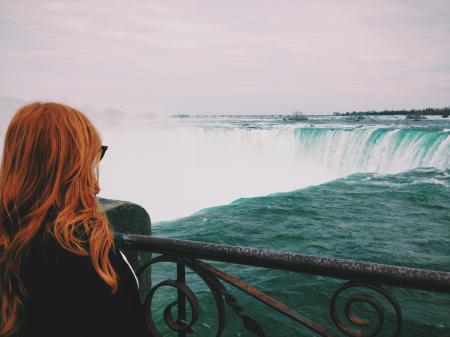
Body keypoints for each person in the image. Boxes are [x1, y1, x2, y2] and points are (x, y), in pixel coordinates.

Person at [0, 102, 151, 337]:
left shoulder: (11, 237)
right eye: (87, 167)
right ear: (63, 171)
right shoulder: (80, 250)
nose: (96, 186)